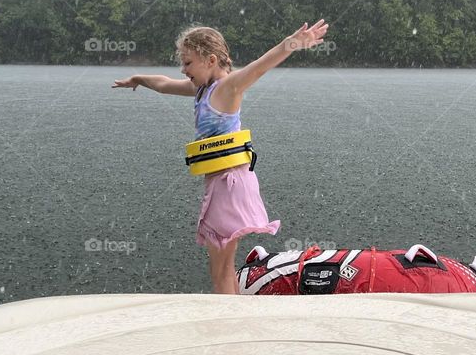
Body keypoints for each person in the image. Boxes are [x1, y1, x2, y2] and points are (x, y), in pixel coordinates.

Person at [112, 20, 329, 294]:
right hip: (222, 183)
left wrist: (295, 42)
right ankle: (233, 315)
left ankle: (231, 323)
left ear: (210, 59)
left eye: (188, 63)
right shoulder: (202, 89)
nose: (183, 69)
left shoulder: (228, 88)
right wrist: (139, 80)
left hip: (230, 183)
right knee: (222, 267)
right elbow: (165, 84)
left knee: (221, 269)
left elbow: (262, 64)